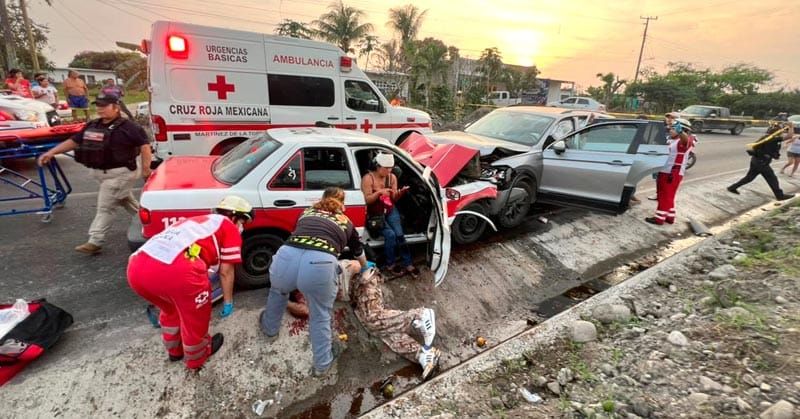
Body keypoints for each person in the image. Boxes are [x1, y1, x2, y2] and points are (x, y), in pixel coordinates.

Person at [127, 196, 253, 370]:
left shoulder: (195, 222)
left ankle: (175, 351)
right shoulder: (228, 227)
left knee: (170, 310)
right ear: (235, 216)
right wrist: (228, 301)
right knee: (195, 320)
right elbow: (226, 271)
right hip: (179, 273)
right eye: (243, 222)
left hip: (137, 269)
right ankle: (196, 359)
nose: (242, 227)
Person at [259, 187, 369, 377]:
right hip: (320, 264)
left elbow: (298, 235)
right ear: (342, 204)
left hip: (286, 256)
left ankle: (270, 330)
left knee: (278, 292)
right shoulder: (346, 222)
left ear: (322, 199)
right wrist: (365, 266)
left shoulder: (306, 213)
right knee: (320, 314)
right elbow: (358, 251)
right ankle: (322, 365)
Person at [37, 95, 153, 254]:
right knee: (124, 200)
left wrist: (146, 169)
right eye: (98, 105)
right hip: (101, 174)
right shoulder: (93, 125)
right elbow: (75, 141)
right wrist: (51, 153)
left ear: (116, 107)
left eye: (104, 106)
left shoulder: (129, 127)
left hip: (121, 174)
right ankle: (152, 222)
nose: (99, 108)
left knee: (106, 207)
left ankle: (95, 240)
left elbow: (145, 147)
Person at [350, 264, 441, 379]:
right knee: (382, 330)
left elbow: (356, 248)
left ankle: (419, 315)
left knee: (372, 320)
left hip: (361, 278)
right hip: (352, 288)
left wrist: (364, 270)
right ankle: (424, 355)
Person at [361, 153, 420, 278]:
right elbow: (366, 200)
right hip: (375, 213)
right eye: (386, 168)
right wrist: (379, 193)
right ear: (378, 166)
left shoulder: (392, 177)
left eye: (390, 168)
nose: (388, 171)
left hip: (389, 209)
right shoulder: (368, 178)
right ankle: (390, 263)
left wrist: (400, 193)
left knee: (400, 235)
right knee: (390, 235)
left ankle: (408, 262)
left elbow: (393, 198)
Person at [645, 118, 696, 225]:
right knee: (667, 195)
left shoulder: (685, 140)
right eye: (672, 128)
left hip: (672, 173)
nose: (670, 130)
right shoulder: (672, 140)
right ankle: (669, 216)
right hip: (665, 171)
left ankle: (659, 218)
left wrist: (680, 132)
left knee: (665, 195)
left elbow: (685, 141)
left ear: (682, 130)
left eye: (673, 129)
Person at [727, 124, 795, 201]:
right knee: (772, 178)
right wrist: (791, 127)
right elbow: (789, 136)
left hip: (756, 160)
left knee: (749, 177)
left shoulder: (766, 138)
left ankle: (732, 187)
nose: (782, 133)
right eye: (781, 131)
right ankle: (780, 196)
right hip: (762, 162)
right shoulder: (772, 138)